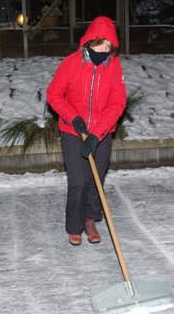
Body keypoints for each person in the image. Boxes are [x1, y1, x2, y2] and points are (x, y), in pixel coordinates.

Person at [46, 16, 127, 246]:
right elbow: (53, 94)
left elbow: (118, 103)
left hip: (101, 133)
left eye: (109, 46)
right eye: (100, 44)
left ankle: (90, 219)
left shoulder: (113, 67)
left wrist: (97, 133)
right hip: (73, 131)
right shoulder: (71, 63)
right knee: (79, 180)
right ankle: (74, 226)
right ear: (90, 41)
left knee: (96, 180)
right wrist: (74, 119)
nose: (104, 50)